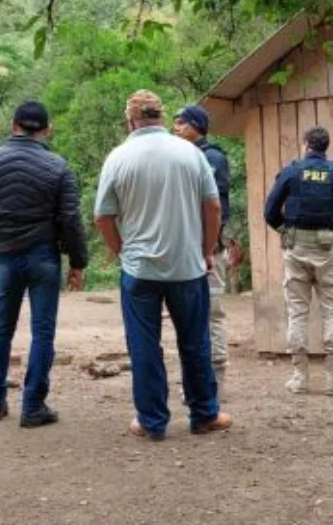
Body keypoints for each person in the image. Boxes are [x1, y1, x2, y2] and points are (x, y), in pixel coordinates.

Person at [94, 90, 232, 441]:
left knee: (144, 344)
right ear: (161, 116)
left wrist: (120, 249)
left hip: (140, 269)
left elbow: (102, 215)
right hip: (187, 265)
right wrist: (205, 251)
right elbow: (213, 207)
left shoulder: (118, 157)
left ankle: (151, 421)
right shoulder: (190, 153)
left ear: (130, 120)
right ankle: (204, 414)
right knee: (195, 341)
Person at [0, 100, 89, 427]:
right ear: (47, 130)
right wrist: (77, 261)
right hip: (43, 256)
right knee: (43, 332)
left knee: (1, 329)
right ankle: (33, 406)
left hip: (4, 256)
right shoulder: (57, 166)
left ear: (13, 125)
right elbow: (71, 219)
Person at [263, 126, 333, 395]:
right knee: (332, 310)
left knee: (297, 311)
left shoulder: (291, 172)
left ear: (306, 145)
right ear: (325, 147)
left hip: (295, 248)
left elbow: (270, 210)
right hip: (328, 248)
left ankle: (299, 377)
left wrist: (286, 231)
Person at [172, 104, 233, 397]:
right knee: (188, 316)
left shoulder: (212, 157)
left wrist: (209, 246)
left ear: (198, 127)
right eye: (174, 122)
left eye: (182, 123)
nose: (176, 127)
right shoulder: (179, 157)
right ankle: (195, 380)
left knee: (212, 312)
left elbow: (217, 206)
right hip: (183, 249)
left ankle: (216, 380)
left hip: (208, 249)